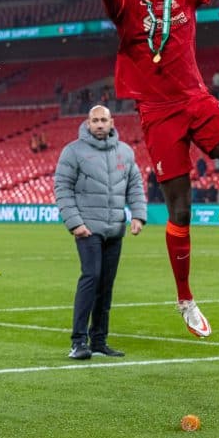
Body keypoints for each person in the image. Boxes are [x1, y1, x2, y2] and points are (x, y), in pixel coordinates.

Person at [97, 0, 219, 338]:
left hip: (198, 101)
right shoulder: (123, 8)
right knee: (179, 212)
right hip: (159, 115)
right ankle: (185, 299)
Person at [54, 105, 147, 360]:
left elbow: (135, 185)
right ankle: (78, 341)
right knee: (91, 277)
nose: (99, 124)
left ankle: (98, 340)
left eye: (103, 120)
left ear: (111, 122)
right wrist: (74, 223)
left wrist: (138, 215)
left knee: (106, 284)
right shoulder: (73, 151)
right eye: (94, 120)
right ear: (87, 123)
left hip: (114, 228)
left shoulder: (125, 152)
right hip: (87, 228)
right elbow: (62, 187)